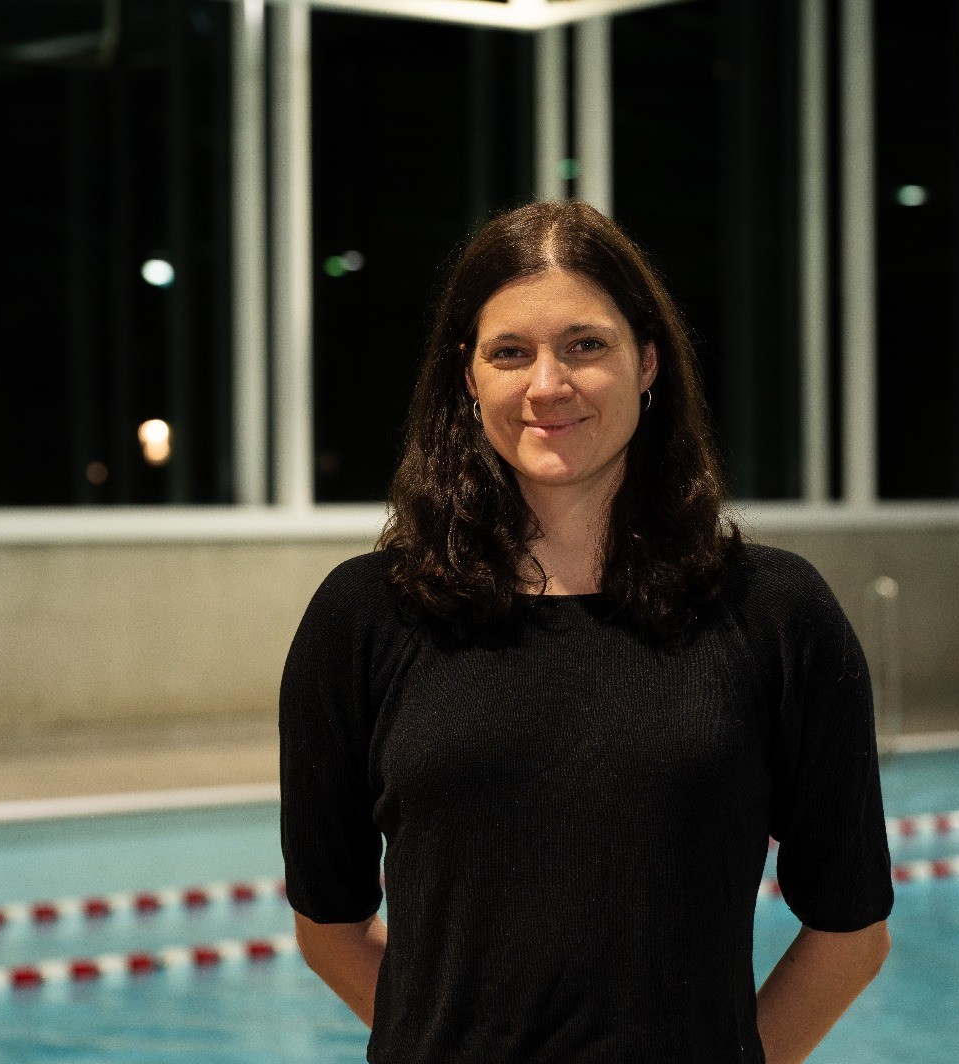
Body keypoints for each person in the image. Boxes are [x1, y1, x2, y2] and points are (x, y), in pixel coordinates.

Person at [279, 200, 892, 1063]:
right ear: (468, 376)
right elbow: (326, 922)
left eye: (584, 345)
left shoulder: (772, 613)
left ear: (647, 362)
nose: (546, 386)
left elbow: (851, 934)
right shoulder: (365, 616)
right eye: (509, 353)